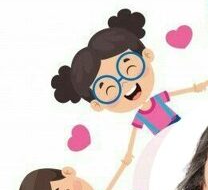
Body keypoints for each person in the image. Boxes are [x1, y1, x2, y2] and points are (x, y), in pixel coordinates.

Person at [51, 9, 200, 165]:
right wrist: (129, 154)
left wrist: (196, 88)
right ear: (97, 104)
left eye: (129, 68)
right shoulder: (141, 116)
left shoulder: (156, 100)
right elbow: (134, 136)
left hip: (179, 126)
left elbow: (179, 93)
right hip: (164, 140)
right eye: (109, 89)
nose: (124, 84)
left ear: (147, 56)